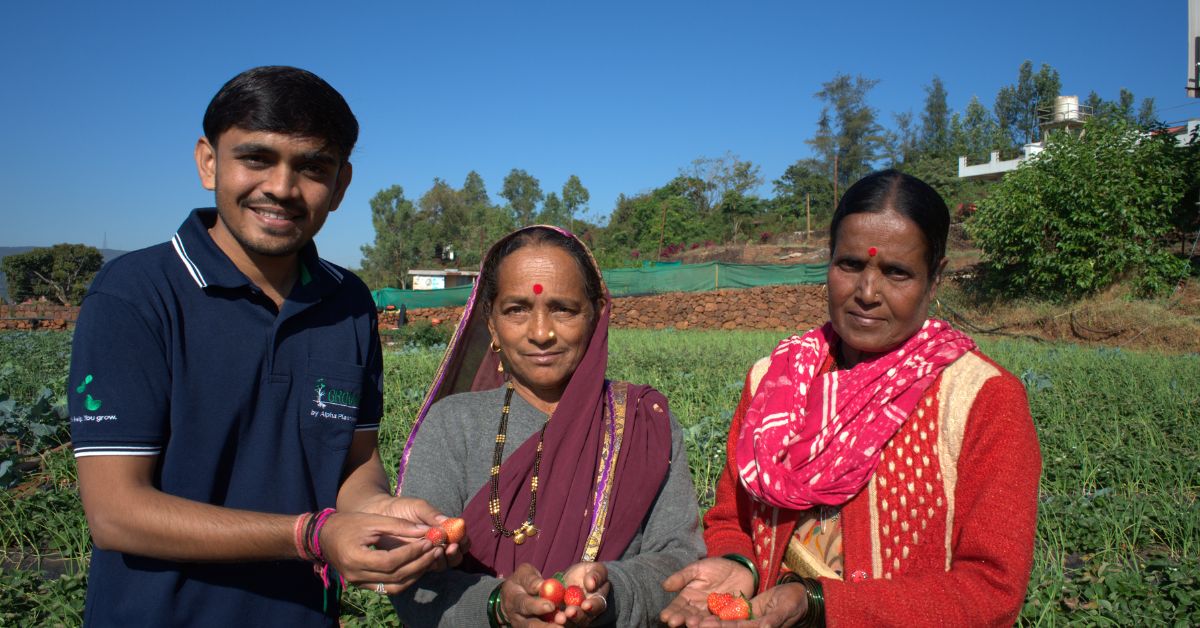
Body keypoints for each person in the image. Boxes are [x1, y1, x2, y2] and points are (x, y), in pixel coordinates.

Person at [68, 66, 458, 627]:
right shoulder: (136, 294)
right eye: (256, 158)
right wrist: (313, 535)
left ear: (341, 183)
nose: (281, 187)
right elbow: (117, 513)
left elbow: (355, 460)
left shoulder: (347, 301)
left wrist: (380, 512)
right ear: (209, 162)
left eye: (312, 167)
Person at [661, 169, 1041, 627]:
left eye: (897, 273)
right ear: (830, 261)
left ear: (934, 279)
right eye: (850, 265)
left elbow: (991, 588)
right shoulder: (773, 381)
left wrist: (820, 604)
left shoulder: (982, 399)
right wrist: (737, 565)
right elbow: (732, 519)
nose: (866, 293)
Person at [390, 226, 705, 626]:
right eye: (517, 309)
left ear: (596, 316)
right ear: (491, 324)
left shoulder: (644, 422)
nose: (541, 333)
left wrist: (612, 592)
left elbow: (681, 558)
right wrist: (496, 607)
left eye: (564, 309)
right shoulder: (454, 425)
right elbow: (413, 581)